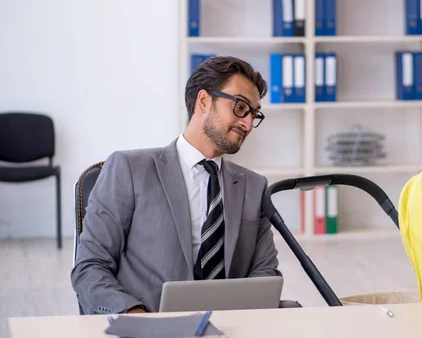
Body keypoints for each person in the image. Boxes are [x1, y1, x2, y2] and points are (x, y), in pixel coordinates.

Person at [71, 56, 281, 314]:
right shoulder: (129, 169)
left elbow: (264, 270)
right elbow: (90, 267)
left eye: (254, 113)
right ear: (203, 101)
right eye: (240, 107)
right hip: (149, 325)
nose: (248, 123)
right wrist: (135, 317)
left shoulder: (254, 186)